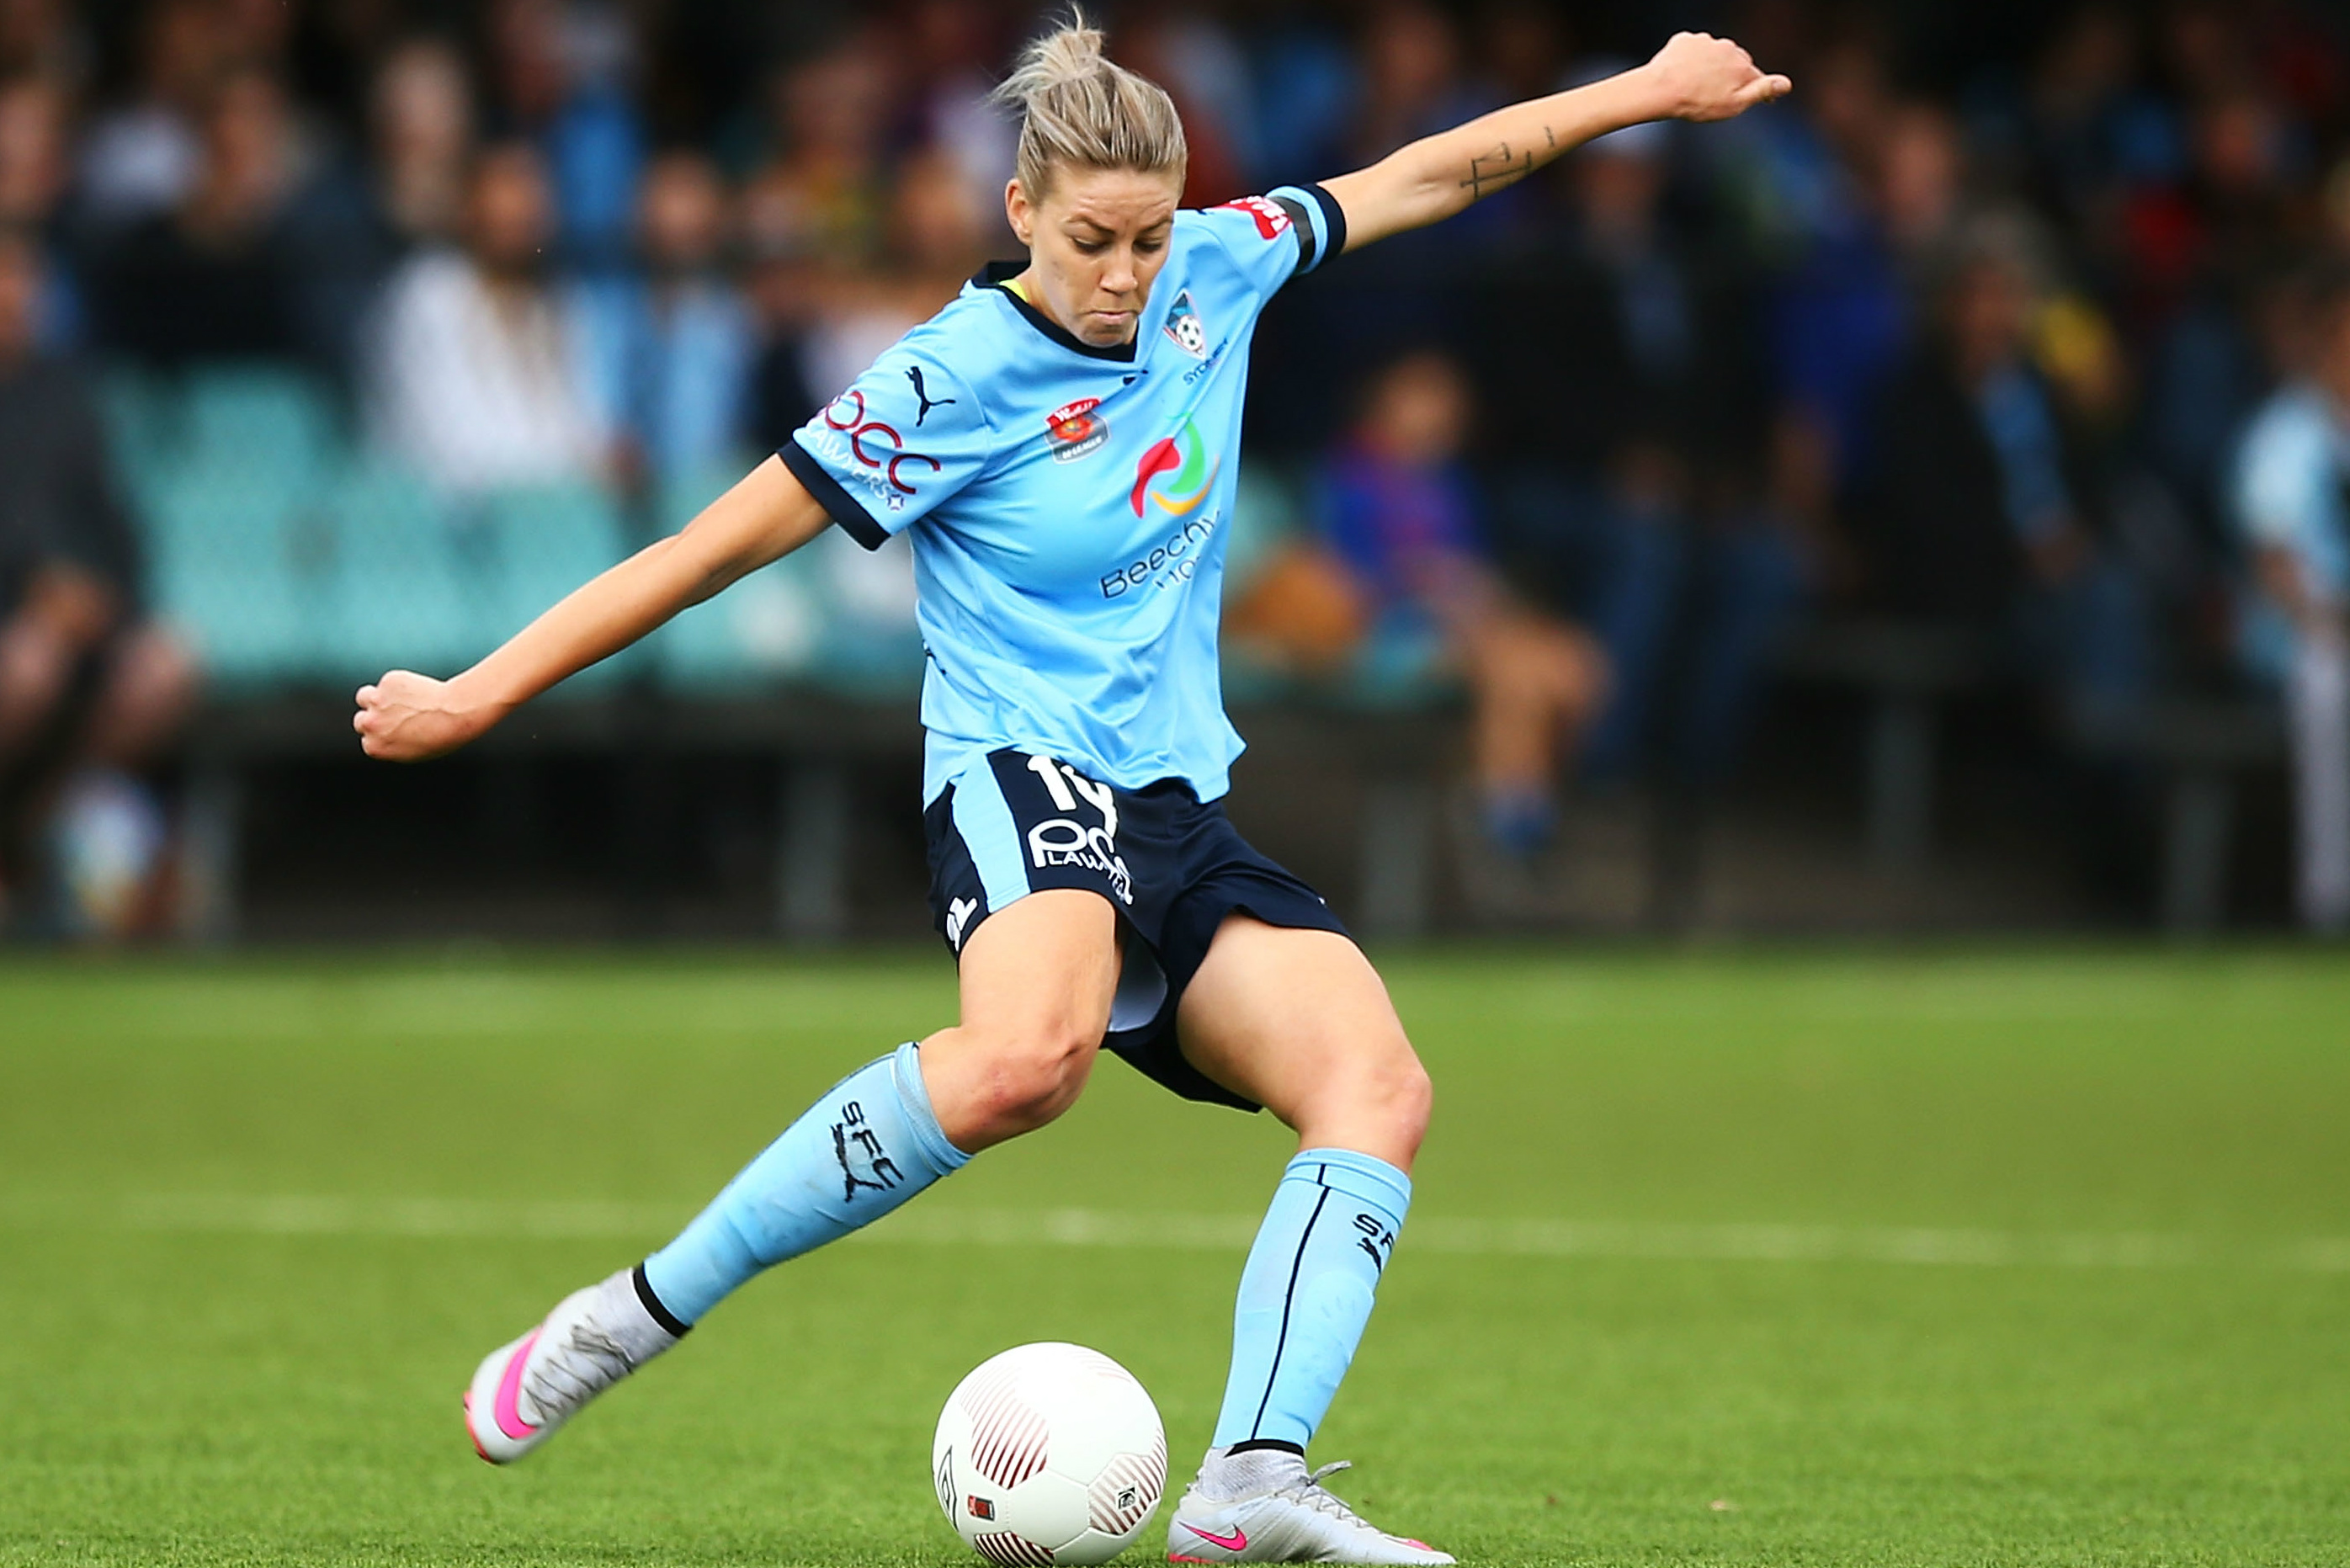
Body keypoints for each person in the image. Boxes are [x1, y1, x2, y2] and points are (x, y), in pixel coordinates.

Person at [353, 17, 1785, 1561]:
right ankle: (625, 1317)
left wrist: (1645, 92)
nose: (1125, 273)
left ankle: (1250, 1479)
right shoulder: (941, 380)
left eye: (1148, 237)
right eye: (1093, 239)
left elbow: (1431, 173)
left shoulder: (1213, 270)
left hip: (1173, 801)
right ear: (1021, 211)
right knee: (1028, 1062)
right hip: (1014, 766)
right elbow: (706, 549)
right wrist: (478, 689)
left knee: (1377, 1089)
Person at [1315, 349, 1608, 858]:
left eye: (1448, 398)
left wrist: (1471, 590)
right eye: (1424, 394)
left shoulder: (1452, 484)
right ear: (1385, 400)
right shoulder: (1350, 474)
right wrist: (1426, 583)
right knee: (1511, 669)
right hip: (1387, 634)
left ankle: (1526, 792)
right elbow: (1339, 577)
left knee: (1577, 663)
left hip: (1467, 624)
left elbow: (1474, 570)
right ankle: (1510, 822)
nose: (1440, 411)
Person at [0, 231, 197, 930]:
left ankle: (28, 831)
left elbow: (114, 524)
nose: (13, 296)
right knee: (25, 666)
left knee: (167, 666)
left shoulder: (67, 393)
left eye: (23, 279)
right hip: (18, 626)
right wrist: (31, 592)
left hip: (80, 619)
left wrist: (107, 598)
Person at [363, 140, 604, 495]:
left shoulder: (564, 302)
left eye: (530, 200)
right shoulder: (429, 294)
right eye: (504, 196)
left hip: (544, 514)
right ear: (469, 208)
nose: (519, 212)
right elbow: (449, 442)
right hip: (443, 518)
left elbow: (584, 427)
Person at [2230, 264, 2350, 933]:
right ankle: (2331, 902)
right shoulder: (2285, 435)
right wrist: (2327, 616)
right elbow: (2274, 560)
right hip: (2297, 636)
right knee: (2329, 679)